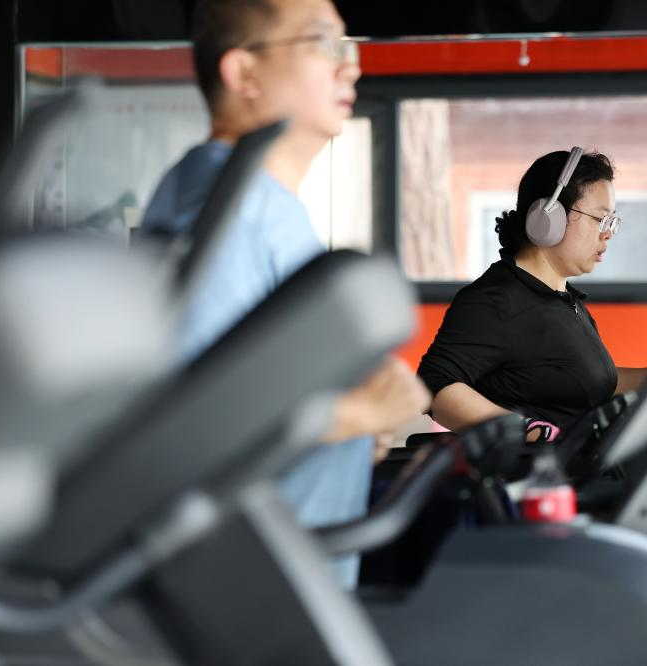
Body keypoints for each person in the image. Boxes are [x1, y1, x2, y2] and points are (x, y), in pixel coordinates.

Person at [140, 0, 430, 587]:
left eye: (348, 46)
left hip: (287, 573)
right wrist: (363, 412)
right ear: (243, 72)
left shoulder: (246, 196)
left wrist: (351, 430)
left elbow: (264, 394)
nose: (350, 66)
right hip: (250, 594)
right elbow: (201, 416)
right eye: (324, 44)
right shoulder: (231, 211)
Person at [418, 149, 647, 443]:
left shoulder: (564, 300)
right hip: (536, 470)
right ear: (549, 217)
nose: (608, 234)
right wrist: (526, 430)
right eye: (600, 219)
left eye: (612, 222)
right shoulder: (497, 300)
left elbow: (593, 381)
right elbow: (433, 384)